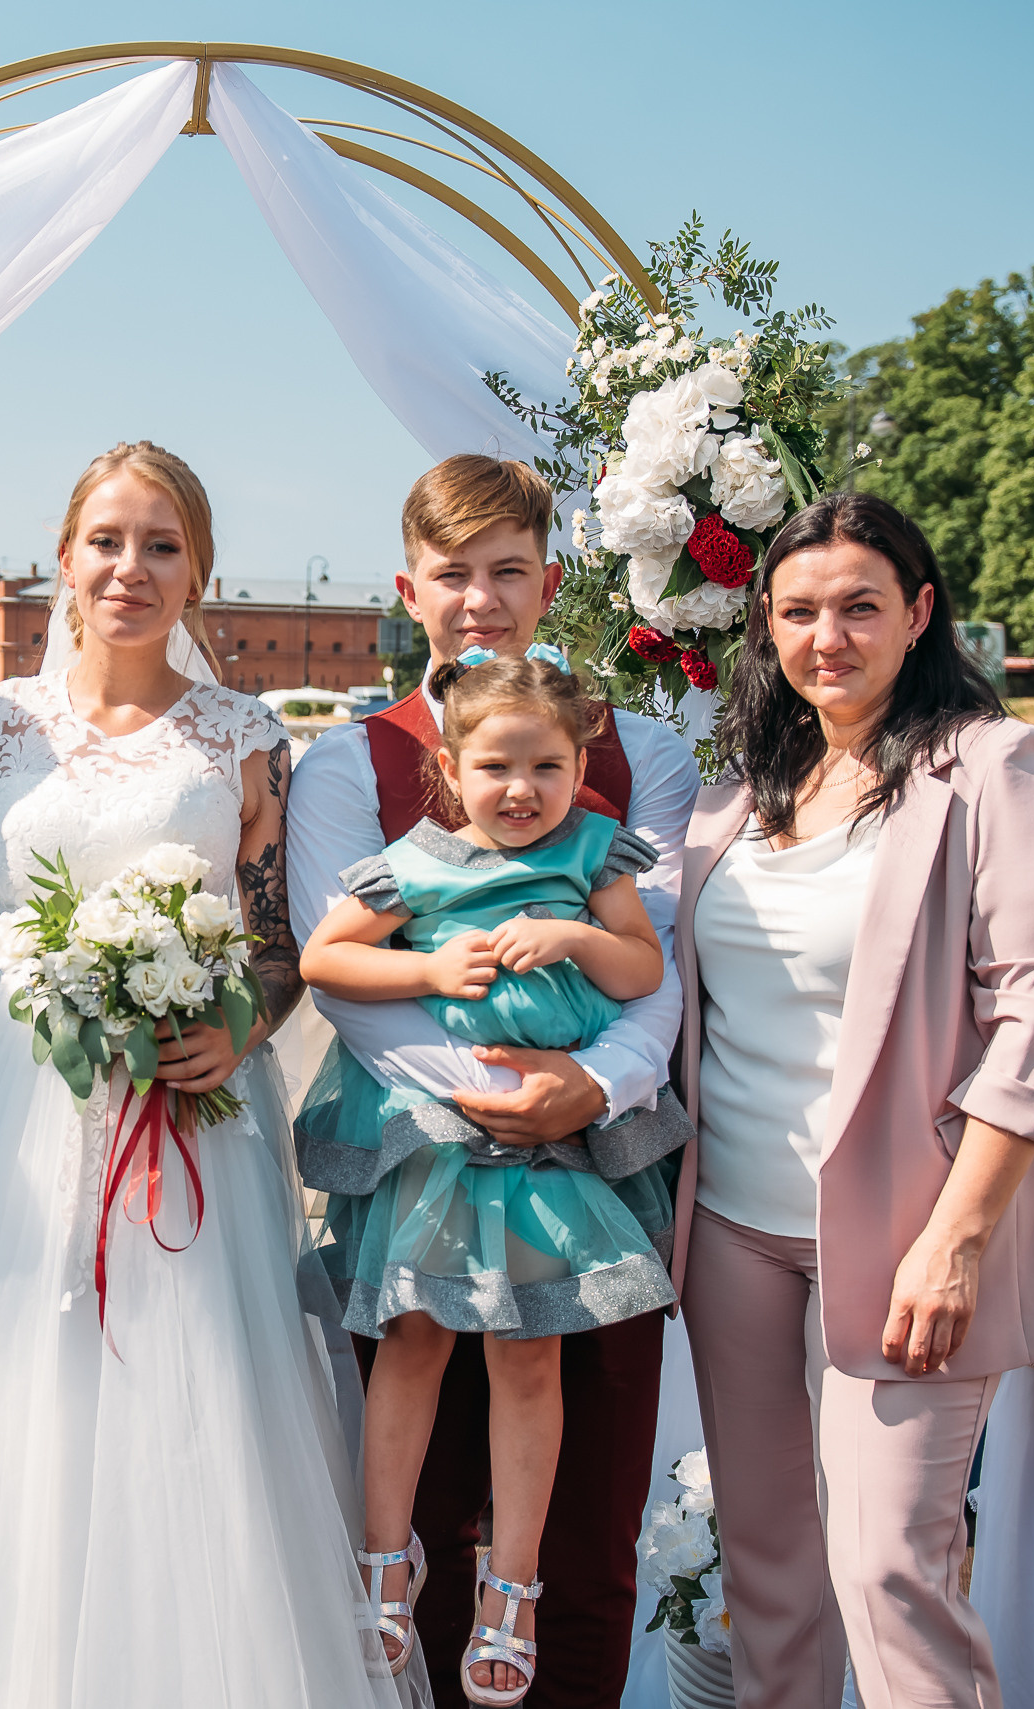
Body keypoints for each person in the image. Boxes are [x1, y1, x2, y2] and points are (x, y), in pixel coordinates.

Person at [0, 442, 408, 1708]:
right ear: (64, 560)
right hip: (15, 1103)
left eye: (162, 545)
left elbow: (274, 942)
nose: (130, 568)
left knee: (183, 1389)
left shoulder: (245, 735)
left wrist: (240, 1032)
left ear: (198, 572)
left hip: (187, 1101)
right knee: (4, 1389)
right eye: (107, 540)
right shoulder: (0, 723)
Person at [672, 491, 1034, 1709]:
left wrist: (959, 1238)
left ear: (918, 614)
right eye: (800, 611)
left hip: (907, 1235)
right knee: (767, 1575)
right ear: (765, 624)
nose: (830, 636)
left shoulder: (990, 765)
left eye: (861, 606)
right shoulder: (738, 788)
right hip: (734, 1232)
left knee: (887, 1570)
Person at [288, 454, 700, 1709]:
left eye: (507, 570)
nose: (480, 598)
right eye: (453, 575)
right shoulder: (349, 765)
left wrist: (597, 1083)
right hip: (425, 1161)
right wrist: (485, 1098)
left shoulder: (650, 758)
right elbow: (344, 977)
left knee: (585, 1511)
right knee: (431, 1475)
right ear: (409, 588)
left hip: (597, 1161)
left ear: (551, 579)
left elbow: (657, 964)